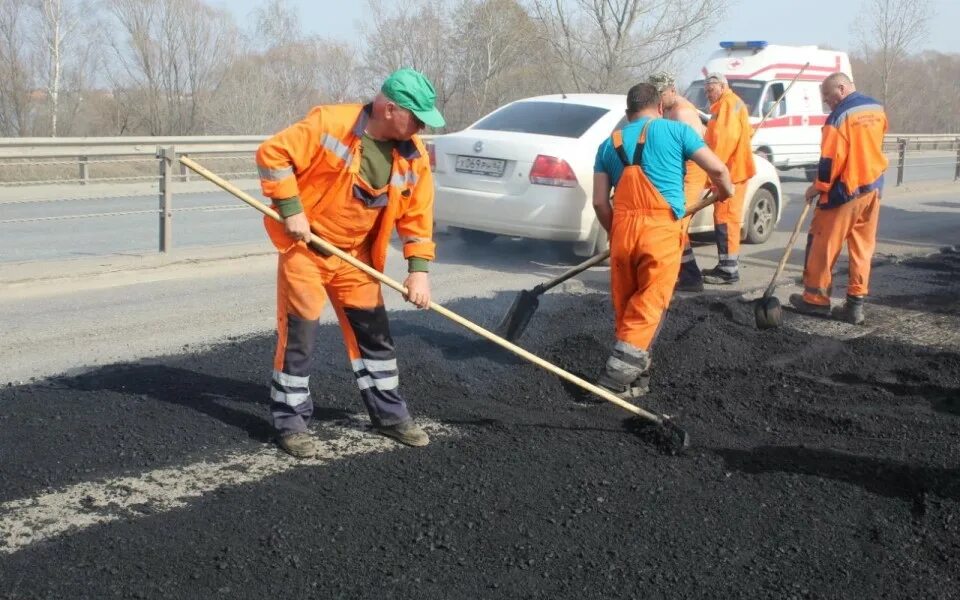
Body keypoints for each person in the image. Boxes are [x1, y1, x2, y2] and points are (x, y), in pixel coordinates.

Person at [255, 68, 445, 458]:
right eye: (417, 117)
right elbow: (272, 154)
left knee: (375, 337)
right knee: (300, 338)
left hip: (356, 259)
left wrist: (419, 272)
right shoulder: (330, 123)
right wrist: (291, 210)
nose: (422, 127)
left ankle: (390, 416)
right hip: (307, 250)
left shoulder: (414, 155)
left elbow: (418, 217)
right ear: (389, 108)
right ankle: (290, 423)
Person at [592, 83, 734, 398]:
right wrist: (725, 192)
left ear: (628, 114)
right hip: (661, 230)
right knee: (648, 305)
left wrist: (615, 233)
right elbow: (719, 170)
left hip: (623, 231)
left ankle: (637, 380)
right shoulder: (676, 131)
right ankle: (612, 382)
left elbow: (601, 203)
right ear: (659, 108)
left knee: (627, 305)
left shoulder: (608, 145)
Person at [789, 72, 888, 325]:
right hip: (872, 188)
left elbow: (830, 161)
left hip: (845, 191)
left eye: (827, 96)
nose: (826, 102)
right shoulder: (876, 108)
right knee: (862, 249)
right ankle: (855, 306)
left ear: (841, 88)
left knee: (823, 245)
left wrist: (818, 186)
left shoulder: (838, 118)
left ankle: (815, 301)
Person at [648, 72, 708, 292]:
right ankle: (682, 273)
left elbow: (693, 150)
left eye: (661, 94)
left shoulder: (682, 113)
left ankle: (689, 277)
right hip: (679, 173)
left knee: (677, 223)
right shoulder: (669, 110)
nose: (658, 99)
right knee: (675, 224)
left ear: (672, 90)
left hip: (691, 173)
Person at [700, 72, 756, 285]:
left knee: (726, 220)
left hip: (730, 173)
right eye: (706, 90)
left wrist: (714, 173)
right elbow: (745, 133)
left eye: (711, 89)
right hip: (734, 170)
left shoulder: (726, 105)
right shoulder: (733, 104)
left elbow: (723, 142)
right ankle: (726, 265)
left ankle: (728, 270)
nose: (708, 93)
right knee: (727, 219)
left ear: (722, 86)